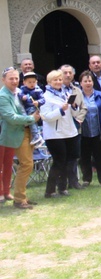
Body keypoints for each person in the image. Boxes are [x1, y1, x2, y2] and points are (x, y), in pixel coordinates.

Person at [0, 67, 41, 209]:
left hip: (28, 131)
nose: (14, 81)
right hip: (17, 133)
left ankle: (21, 196)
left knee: (27, 164)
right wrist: (31, 118)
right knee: (27, 164)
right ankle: (18, 199)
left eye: (16, 78)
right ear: (3, 80)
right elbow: (11, 117)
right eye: (11, 78)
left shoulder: (19, 92)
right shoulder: (2, 96)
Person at [40, 69, 83, 198]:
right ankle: (50, 190)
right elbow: (46, 116)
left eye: (59, 79)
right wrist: (61, 110)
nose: (58, 82)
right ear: (49, 82)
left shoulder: (65, 93)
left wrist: (74, 106)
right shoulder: (45, 97)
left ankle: (62, 188)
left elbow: (72, 111)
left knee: (68, 161)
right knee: (58, 162)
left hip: (69, 132)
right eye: (55, 80)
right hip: (55, 134)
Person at [78, 71, 101, 187]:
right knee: (85, 157)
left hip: (99, 131)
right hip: (84, 132)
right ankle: (87, 179)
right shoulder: (78, 97)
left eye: (90, 81)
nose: (88, 83)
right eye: (85, 81)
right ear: (80, 83)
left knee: (100, 156)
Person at [61, 64, 87, 189]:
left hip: (75, 126)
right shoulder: (56, 90)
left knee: (74, 155)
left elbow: (84, 107)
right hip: (61, 128)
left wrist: (80, 119)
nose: (67, 75)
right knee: (63, 156)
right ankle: (62, 183)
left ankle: (74, 182)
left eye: (69, 73)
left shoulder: (77, 90)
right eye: (65, 72)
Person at [18, 71, 46, 148]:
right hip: (25, 108)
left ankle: (36, 136)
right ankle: (37, 136)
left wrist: (38, 102)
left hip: (33, 107)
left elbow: (43, 99)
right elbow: (20, 94)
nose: (32, 84)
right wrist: (23, 97)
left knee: (31, 120)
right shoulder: (22, 89)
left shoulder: (38, 90)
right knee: (29, 120)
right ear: (24, 82)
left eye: (34, 82)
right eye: (29, 82)